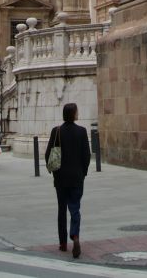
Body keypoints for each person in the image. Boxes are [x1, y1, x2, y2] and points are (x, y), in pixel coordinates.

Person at [45, 103, 91, 257]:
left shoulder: (56, 131)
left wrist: (55, 173)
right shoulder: (82, 131)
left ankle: (63, 243)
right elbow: (87, 156)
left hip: (61, 177)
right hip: (77, 177)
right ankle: (75, 235)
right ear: (74, 114)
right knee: (75, 208)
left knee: (61, 209)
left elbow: (48, 154)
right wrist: (83, 173)